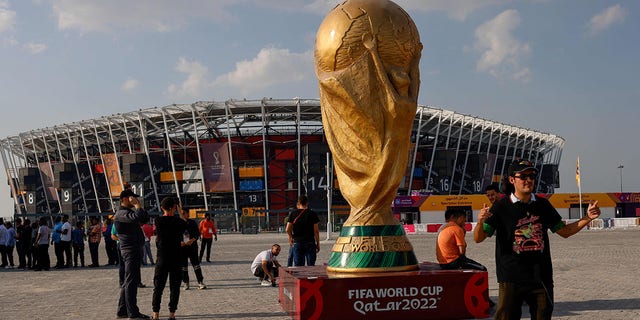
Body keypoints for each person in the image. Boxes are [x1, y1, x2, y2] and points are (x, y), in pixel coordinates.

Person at [474, 159, 601, 320]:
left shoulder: (543, 205)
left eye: (532, 175)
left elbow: (565, 232)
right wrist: (480, 222)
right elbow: (479, 238)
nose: (528, 180)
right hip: (511, 278)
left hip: (541, 277)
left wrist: (588, 217)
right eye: (523, 176)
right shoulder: (500, 207)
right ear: (512, 180)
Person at [114, 189, 150, 319]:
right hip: (130, 250)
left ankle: (122, 310)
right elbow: (137, 217)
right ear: (124, 199)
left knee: (128, 281)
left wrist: (139, 207)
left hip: (133, 249)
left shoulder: (128, 213)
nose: (134, 200)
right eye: (131, 197)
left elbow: (144, 218)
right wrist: (137, 206)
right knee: (131, 282)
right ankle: (133, 313)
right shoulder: (121, 213)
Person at [152, 197, 187, 320]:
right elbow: (185, 223)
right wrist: (179, 210)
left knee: (158, 287)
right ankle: (172, 313)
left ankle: (155, 313)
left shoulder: (158, 221)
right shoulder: (178, 222)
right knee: (175, 287)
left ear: (162, 208)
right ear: (174, 208)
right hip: (176, 258)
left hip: (162, 258)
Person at [285, 195, 320, 266]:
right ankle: (310, 277)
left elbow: (287, 229)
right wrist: (318, 243)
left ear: (299, 202)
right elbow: (316, 231)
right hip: (310, 242)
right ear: (307, 203)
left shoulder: (293, 214)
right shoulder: (312, 214)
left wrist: (291, 237)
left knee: (299, 266)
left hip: (297, 242)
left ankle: (300, 277)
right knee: (311, 266)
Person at [180, 208, 206, 290]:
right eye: (181, 213)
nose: (182, 214)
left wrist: (192, 240)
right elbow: (175, 235)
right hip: (182, 247)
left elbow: (197, 234)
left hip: (192, 247)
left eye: (184, 213)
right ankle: (186, 282)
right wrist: (180, 242)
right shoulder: (178, 223)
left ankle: (200, 282)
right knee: (183, 266)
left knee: (196, 265)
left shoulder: (192, 222)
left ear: (187, 214)